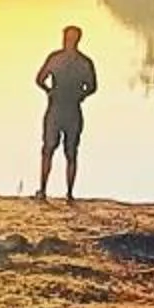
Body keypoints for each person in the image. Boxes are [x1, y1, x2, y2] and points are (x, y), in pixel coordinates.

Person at [34, 23, 100, 202]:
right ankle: (43, 189)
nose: (68, 41)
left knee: (70, 152)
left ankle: (69, 193)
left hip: (70, 109)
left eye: (71, 38)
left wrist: (81, 95)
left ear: (77, 40)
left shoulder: (83, 62)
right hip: (57, 108)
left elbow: (93, 87)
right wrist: (49, 91)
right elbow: (39, 79)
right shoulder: (57, 59)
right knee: (48, 149)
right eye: (66, 38)